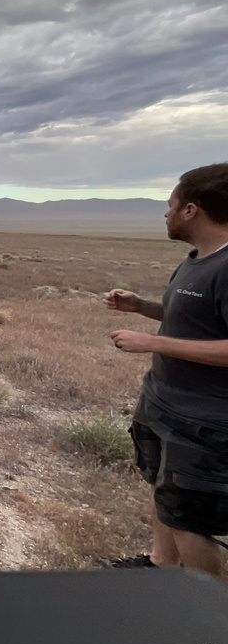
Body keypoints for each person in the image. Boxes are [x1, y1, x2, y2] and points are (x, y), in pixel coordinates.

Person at [105, 162, 228, 577]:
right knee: (164, 494)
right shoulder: (197, 260)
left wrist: (152, 342)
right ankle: (160, 567)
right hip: (164, 404)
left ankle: (206, 616)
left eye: (170, 204)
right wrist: (142, 307)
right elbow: (193, 323)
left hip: (206, 424)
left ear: (191, 210)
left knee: (190, 521)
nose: (165, 213)